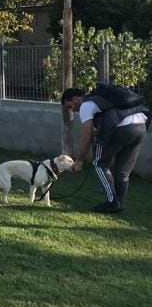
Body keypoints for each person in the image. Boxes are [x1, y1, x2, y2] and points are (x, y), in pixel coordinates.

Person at [61, 84, 149, 213]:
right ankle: (118, 202)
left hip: (122, 127)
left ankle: (112, 201)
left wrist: (79, 161)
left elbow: (87, 137)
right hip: (141, 126)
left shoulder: (86, 104)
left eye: (70, 106)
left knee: (99, 163)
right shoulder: (101, 98)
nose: (73, 110)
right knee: (123, 172)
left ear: (75, 99)